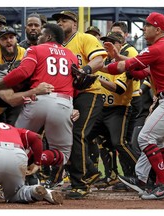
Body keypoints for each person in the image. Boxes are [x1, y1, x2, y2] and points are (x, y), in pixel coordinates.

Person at [101, 12, 164, 200]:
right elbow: (142, 69)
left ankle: (163, 184)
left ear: (158, 29)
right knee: (155, 139)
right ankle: (153, 181)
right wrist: (118, 57)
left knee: (146, 137)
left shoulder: (158, 47)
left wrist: (95, 68)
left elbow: (123, 68)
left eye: (148, 25)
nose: (144, 28)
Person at [0, 23, 79, 189]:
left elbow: (22, 73)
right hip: (64, 102)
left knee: (15, 143)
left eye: (42, 34)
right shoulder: (71, 55)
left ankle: (8, 175)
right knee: (62, 155)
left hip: (38, 99)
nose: (38, 37)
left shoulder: (36, 49)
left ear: (48, 37)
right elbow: (76, 83)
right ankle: (39, 159)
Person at [51, 10, 107, 199]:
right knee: (62, 137)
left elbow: (99, 59)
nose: (60, 23)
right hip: (68, 95)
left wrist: (85, 69)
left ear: (74, 24)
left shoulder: (85, 38)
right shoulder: (57, 46)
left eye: (64, 20)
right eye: (58, 20)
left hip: (89, 93)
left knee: (77, 133)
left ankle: (80, 183)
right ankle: (90, 172)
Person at [89, 32, 139, 190]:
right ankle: (103, 175)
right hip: (100, 108)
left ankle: (144, 174)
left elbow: (119, 88)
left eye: (111, 42)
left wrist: (97, 78)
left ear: (120, 45)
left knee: (120, 143)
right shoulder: (101, 62)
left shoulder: (123, 63)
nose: (107, 44)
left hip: (119, 109)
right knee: (84, 137)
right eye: (105, 42)